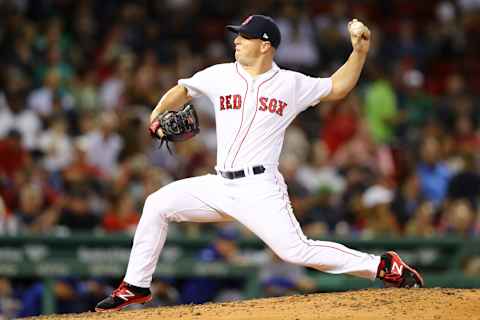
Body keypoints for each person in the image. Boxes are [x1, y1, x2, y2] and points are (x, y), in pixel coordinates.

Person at [96, 15, 423, 312]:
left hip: (259, 188)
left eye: (245, 36)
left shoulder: (290, 84)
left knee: (295, 252)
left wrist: (359, 54)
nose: (236, 41)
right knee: (157, 204)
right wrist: (155, 116)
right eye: (237, 35)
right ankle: (136, 285)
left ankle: (382, 266)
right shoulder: (220, 74)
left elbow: (337, 87)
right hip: (219, 184)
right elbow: (182, 90)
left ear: (265, 45)